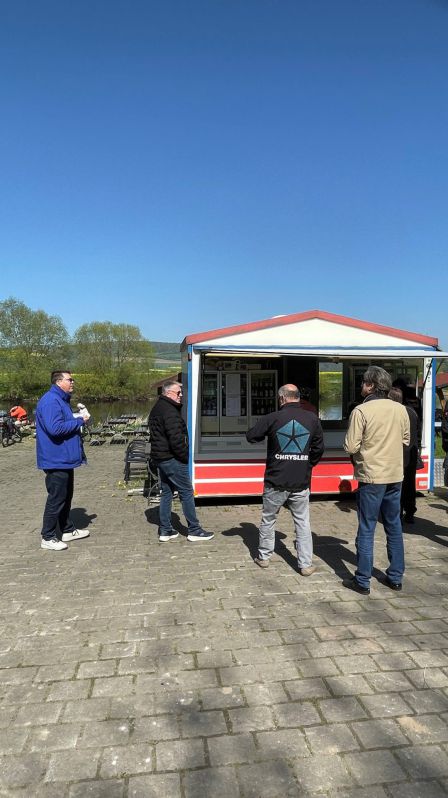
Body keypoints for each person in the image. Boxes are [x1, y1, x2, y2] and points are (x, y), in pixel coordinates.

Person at [344, 366, 410, 595]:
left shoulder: (361, 411)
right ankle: (395, 577)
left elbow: (350, 446)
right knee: (394, 525)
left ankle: (362, 580)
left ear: (371, 385)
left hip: (371, 476)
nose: (361, 385)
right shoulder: (400, 409)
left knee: (367, 527)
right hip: (395, 475)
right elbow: (406, 440)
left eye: (363, 382)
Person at [246, 383, 324, 574]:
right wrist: (307, 464)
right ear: (298, 397)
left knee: (268, 519)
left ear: (282, 398)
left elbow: (252, 436)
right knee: (302, 522)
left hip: (275, 480)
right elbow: (319, 449)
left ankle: (264, 557)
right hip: (301, 481)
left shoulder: (273, 417)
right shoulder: (312, 419)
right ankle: (305, 565)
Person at [149, 380, 213, 542]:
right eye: (178, 393)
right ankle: (194, 530)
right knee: (186, 492)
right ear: (168, 393)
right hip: (172, 458)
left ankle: (165, 530)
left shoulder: (157, 408)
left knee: (167, 492)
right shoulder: (170, 411)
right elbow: (176, 439)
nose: (181, 396)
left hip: (160, 457)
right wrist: (184, 458)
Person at [36, 370, 91, 551]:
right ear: (59, 382)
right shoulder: (51, 400)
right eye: (70, 379)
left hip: (64, 458)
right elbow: (55, 429)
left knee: (66, 496)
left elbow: (61, 422)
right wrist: (80, 421)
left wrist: (75, 417)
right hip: (55, 458)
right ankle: (48, 536)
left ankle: (67, 529)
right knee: (56, 498)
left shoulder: (61, 400)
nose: (73, 382)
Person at [388, 386, 421, 524]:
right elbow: (418, 432)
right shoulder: (412, 412)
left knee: (397, 485)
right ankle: (410, 512)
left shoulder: (394, 413)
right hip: (412, 454)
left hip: (398, 454)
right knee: (410, 484)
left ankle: (397, 513)